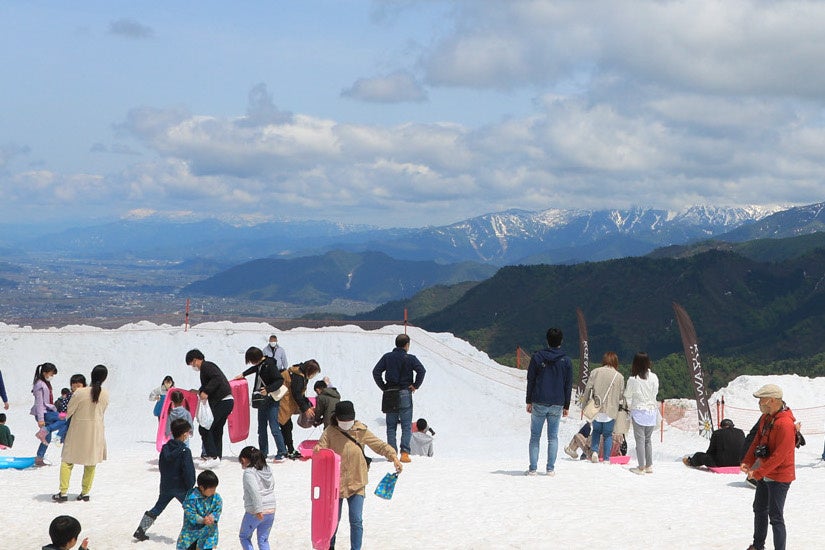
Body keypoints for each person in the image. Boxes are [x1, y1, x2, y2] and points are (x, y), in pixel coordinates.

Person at [314, 401, 403, 550]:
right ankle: (330, 546)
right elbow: (321, 447)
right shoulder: (330, 431)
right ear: (336, 418)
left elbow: (379, 445)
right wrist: (318, 448)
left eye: (349, 420)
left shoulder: (360, 430)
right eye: (343, 421)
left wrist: (394, 457)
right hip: (335, 485)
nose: (346, 424)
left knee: (356, 520)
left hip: (357, 481)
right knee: (333, 520)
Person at [740, 384, 796, 550]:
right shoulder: (766, 418)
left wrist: (757, 472)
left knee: (776, 516)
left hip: (779, 476)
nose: (759, 403)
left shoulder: (785, 424)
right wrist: (748, 461)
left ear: (771, 400)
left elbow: (780, 456)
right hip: (765, 472)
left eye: (761, 400)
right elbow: (757, 440)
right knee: (759, 508)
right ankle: (758, 546)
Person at [134, 418, 197, 542]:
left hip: (166, 485)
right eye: (188, 433)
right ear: (184, 434)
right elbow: (188, 471)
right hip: (181, 487)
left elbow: (161, 466)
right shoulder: (185, 451)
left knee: (158, 507)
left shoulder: (165, 449)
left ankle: (141, 529)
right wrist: (190, 485)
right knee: (190, 508)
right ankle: (189, 534)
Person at [54, 364, 109, 502]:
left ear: (91, 374)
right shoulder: (105, 393)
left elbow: (69, 411)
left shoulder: (80, 392)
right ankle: (85, 493)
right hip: (96, 430)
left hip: (78, 430)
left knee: (67, 460)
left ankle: (63, 492)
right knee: (91, 462)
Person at [525, 327, 573, 476]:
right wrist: (566, 405)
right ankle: (550, 469)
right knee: (553, 437)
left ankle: (533, 468)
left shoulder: (537, 357)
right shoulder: (566, 360)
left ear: (547, 340)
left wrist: (529, 400)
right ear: (561, 341)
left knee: (535, 436)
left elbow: (531, 379)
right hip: (557, 402)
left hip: (539, 399)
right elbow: (568, 384)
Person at [372, 333, 427, 463]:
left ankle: (392, 454)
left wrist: (384, 387)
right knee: (406, 425)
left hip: (390, 392)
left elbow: (376, 372)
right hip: (405, 392)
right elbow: (422, 370)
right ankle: (404, 453)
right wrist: (415, 385)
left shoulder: (387, 357)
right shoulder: (410, 358)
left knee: (391, 426)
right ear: (407, 345)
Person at [234, 347, 287, 462]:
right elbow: (255, 368)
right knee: (261, 428)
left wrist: (268, 389)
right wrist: (243, 374)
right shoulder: (261, 364)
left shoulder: (270, 365)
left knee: (274, 427)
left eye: (251, 360)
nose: (251, 363)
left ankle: (282, 452)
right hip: (262, 400)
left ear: (256, 358)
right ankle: (263, 452)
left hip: (271, 399)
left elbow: (279, 380)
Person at [185, 349, 234, 469]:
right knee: (216, 429)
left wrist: (206, 391)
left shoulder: (206, 366)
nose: (193, 367)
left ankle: (213, 456)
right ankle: (217, 457)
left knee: (205, 427)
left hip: (222, 401)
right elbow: (210, 383)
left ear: (196, 360)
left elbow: (216, 379)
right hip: (227, 401)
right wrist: (198, 391)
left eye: (192, 364)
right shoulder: (207, 368)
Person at [582, 351, 625, 463]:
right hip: (611, 411)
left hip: (596, 408)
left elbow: (587, 389)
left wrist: (584, 405)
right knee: (607, 434)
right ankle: (606, 458)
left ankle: (595, 451)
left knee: (596, 431)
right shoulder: (619, 376)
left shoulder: (595, 372)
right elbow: (621, 395)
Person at [624, 352, 659, 475]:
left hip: (638, 411)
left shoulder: (633, 379)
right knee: (648, 440)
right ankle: (649, 465)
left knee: (640, 440)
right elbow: (655, 392)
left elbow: (627, 395)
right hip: (651, 411)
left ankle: (640, 467)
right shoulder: (654, 377)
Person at [278, 359, 321, 459]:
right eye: (313, 373)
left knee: (287, 427)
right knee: (286, 427)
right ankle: (287, 450)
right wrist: (306, 408)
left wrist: (308, 404)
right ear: (309, 370)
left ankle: (288, 449)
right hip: (284, 403)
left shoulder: (300, 373)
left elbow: (300, 394)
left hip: (286, 402)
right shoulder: (298, 376)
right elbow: (297, 394)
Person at [238, 446, 276, 550]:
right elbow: (272, 486)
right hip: (271, 509)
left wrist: (258, 509)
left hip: (256, 511)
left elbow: (254, 492)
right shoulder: (267, 469)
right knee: (263, 539)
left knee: (244, 537)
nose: (242, 466)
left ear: (245, 459)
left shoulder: (249, 472)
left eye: (241, 462)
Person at [177, 469, 222, 550]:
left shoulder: (216, 497)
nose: (213, 491)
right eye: (211, 489)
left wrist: (212, 517)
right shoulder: (191, 498)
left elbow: (217, 510)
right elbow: (190, 513)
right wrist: (202, 520)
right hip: (191, 536)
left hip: (208, 535)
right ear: (201, 487)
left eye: (214, 489)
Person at [31, 362, 59, 466]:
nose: (52, 376)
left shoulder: (46, 383)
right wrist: (41, 419)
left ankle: (39, 459)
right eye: (51, 374)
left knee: (47, 438)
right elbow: (39, 403)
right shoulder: (39, 384)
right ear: (44, 373)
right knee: (64, 418)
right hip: (43, 414)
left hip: (48, 411)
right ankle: (45, 430)